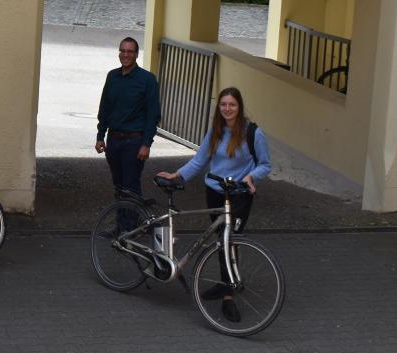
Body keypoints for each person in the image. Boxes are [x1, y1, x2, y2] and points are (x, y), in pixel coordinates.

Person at [156, 87, 271, 323]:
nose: (227, 109)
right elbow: (200, 161)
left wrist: (252, 177)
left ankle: (229, 294)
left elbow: (265, 165)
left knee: (231, 240)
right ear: (218, 107)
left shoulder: (253, 133)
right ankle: (224, 283)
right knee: (221, 241)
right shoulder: (216, 132)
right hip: (215, 192)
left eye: (232, 105)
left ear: (239, 107)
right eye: (223, 105)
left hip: (238, 194)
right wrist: (176, 175)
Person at [95, 36, 160, 198]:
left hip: (134, 142)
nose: (125, 55)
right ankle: (123, 220)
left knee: (130, 186)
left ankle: (130, 223)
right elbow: (105, 108)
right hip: (114, 140)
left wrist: (146, 144)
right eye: (122, 51)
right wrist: (100, 136)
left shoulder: (147, 80)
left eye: (130, 51)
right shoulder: (112, 77)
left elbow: (153, 114)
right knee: (118, 185)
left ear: (137, 54)